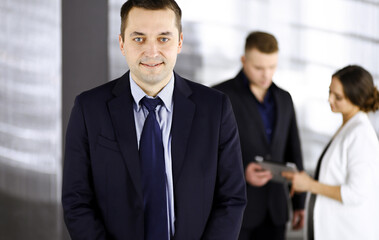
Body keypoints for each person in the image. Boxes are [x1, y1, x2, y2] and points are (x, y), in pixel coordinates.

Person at [61, 0, 247, 239]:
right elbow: (76, 202)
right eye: (139, 38)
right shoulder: (89, 109)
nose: (151, 52)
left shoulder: (216, 108)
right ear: (122, 43)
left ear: (179, 42)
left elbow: (231, 199)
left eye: (163, 38)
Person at [213, 31, 305, 240]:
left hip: (275, 211)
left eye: (272, 67)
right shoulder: (219, 96)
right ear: (243, 60)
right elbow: (207, 155)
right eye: (259, 68)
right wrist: (242, 172)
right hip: (234, 209)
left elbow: (294, 151)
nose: (266, 75)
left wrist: (299, 203)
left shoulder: (284, 98)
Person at [283, 65, 379, 240]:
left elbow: (356, 193)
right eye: (329, 92)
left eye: (338, 97)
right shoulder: (348, 126)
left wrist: (309, 185)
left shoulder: (361, 135)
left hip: (348, 232)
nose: (329, 99)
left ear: (356, 98)